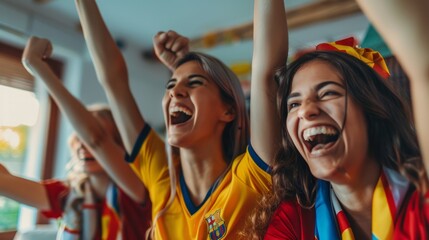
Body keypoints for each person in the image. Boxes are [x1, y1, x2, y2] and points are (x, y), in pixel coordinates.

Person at [21, 0, 288, 239]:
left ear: (229, 111)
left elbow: (267, 72)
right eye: (170, 85)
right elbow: (115, 84)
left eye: (194, 83)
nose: (174, 92)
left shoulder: (250, 178)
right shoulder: (162, 178)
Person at [247, 0, 429, 239]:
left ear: (372, 108)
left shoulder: (421, 194)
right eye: (294, 104)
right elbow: (267, 77)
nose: (305, 111)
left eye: (328, 93)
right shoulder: (295, 221)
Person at [0, 105, 151, 240]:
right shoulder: (71, 193)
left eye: (94, 139)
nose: (83, 145)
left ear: (119, 146)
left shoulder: (136, 191)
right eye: (79, 137)